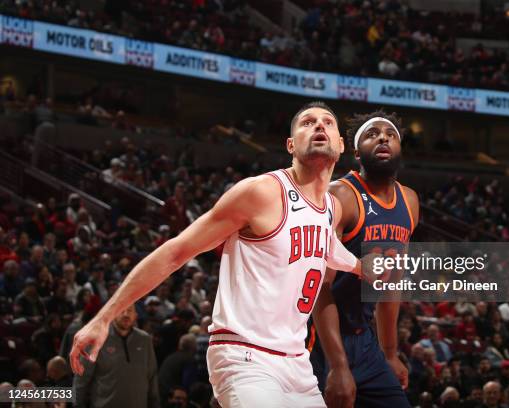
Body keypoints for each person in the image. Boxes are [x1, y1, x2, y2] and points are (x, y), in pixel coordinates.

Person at [70, 101, 365, 407]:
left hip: (297, 364)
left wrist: (360, 267)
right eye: (307, 122)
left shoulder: (331, 207)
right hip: (246, 357)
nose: (319, 126)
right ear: (290, 145)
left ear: (341, 145)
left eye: (328, 122)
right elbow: (177, 251)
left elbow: (326, 246)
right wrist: (104, 318)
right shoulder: (261, 192)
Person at [310, 110, 419, 408]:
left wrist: (390, 353)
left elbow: (391, 282)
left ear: (399, 148)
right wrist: (338, 365)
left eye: (390, 134)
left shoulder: (409, 200)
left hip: (364, 339)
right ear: (356, 152)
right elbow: (321, 286)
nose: (383, 137)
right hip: (318, 339)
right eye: (372, 134)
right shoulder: (340, 196)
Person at [73, 305, 160, 408]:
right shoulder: (96, 339)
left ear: (136, 315)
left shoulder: (145, 340)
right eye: (122, 310)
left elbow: (152, 377)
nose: (126, 314)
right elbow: (81, 380)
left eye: (130, 310)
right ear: (113, 314)